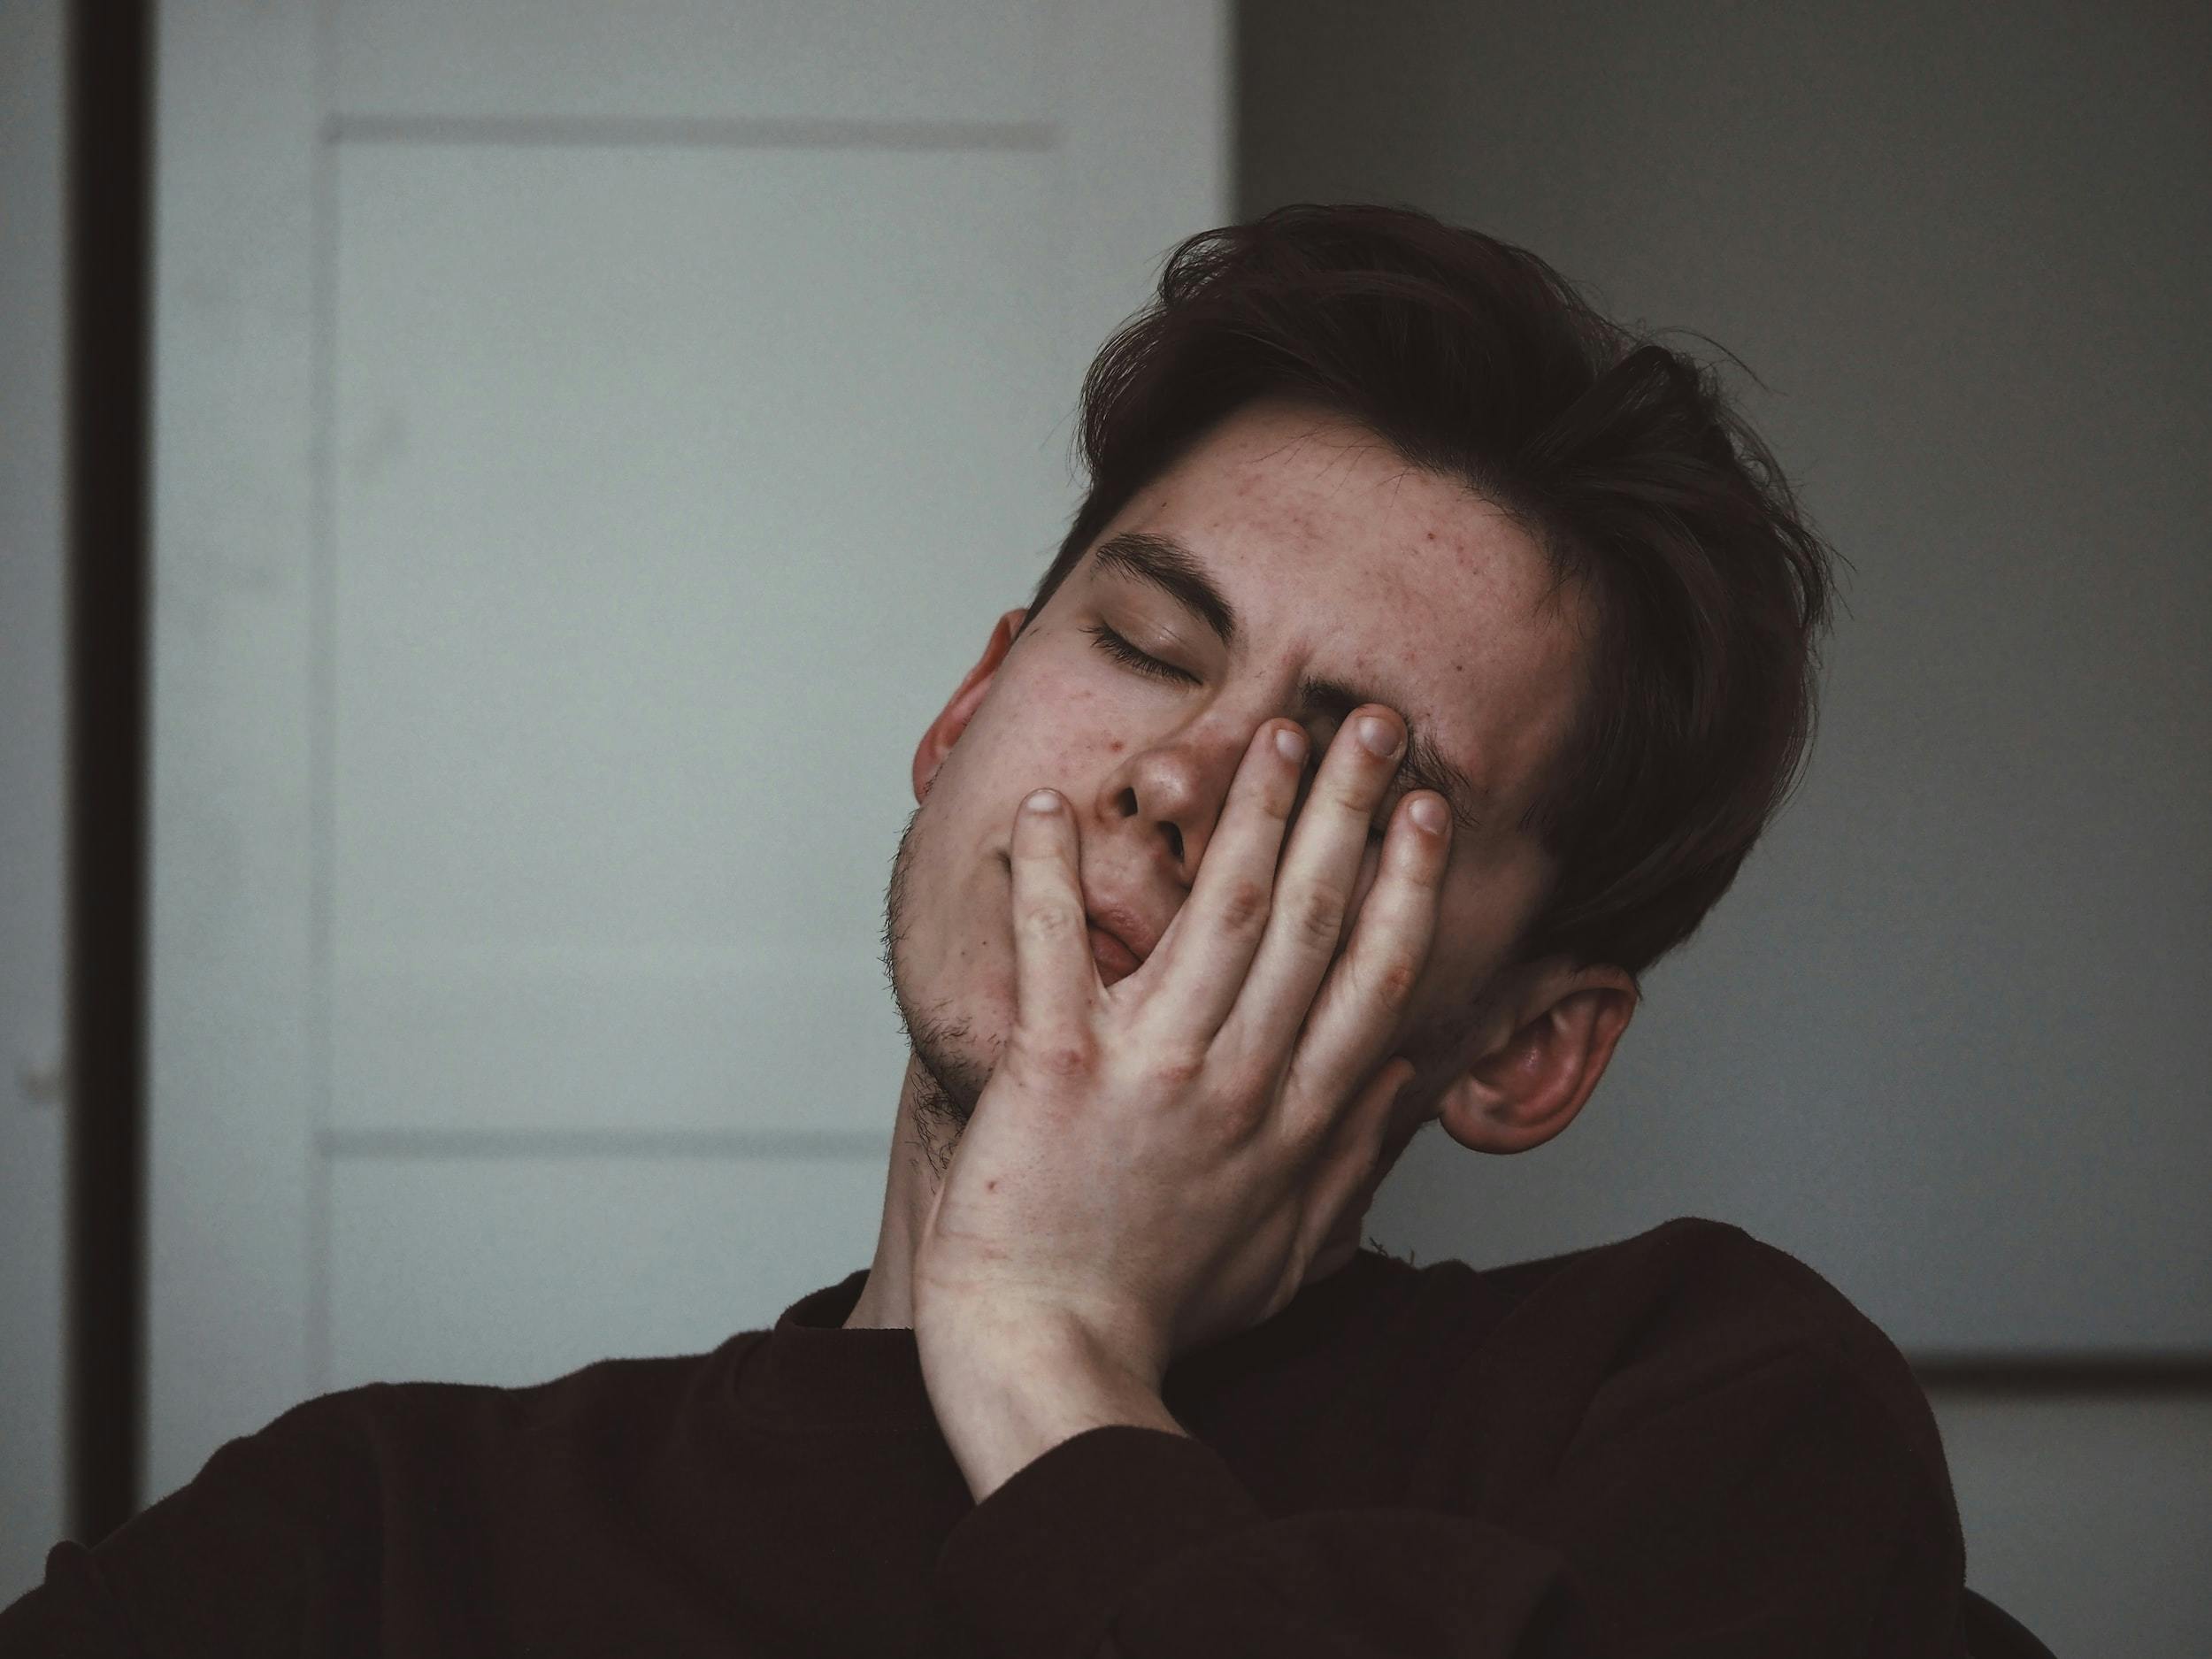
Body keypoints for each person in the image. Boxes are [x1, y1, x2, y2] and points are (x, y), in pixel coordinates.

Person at [0, 204, 1965, 1655]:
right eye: (1137, 644)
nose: (1173, 778)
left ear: (1528, 1046)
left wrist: (1048, 1354)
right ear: (962, 719)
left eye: (1349, 781)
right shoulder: (372, 1538)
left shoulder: (1695, 1412)